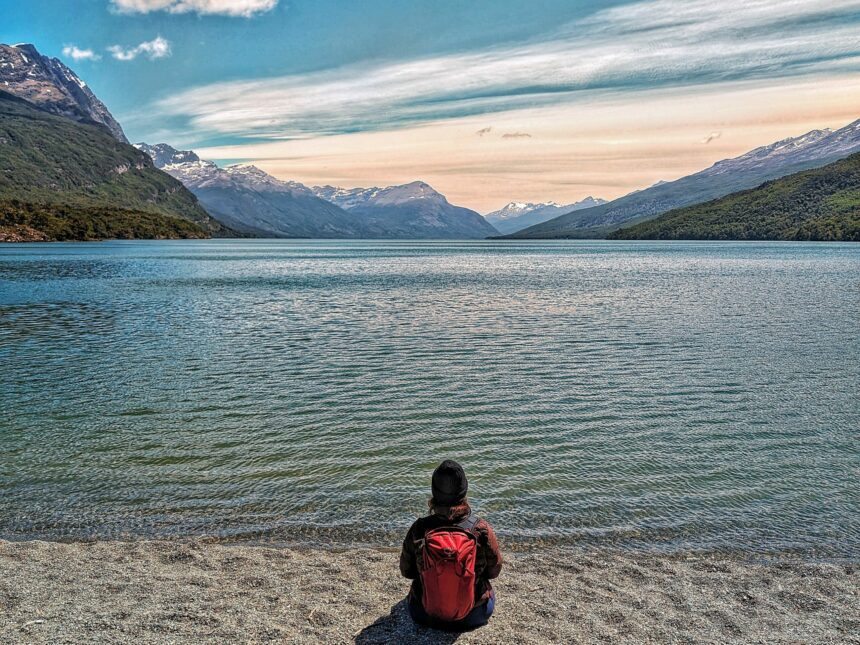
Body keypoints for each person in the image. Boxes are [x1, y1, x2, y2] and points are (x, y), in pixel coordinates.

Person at [399, 460, 503, 631]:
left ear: (434, 492)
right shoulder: (480, 529)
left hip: (424, 614)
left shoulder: (419, 528)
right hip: (473, 615)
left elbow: (407, 572)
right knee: (488, 593)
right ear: (464, 492)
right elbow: (494, 572)